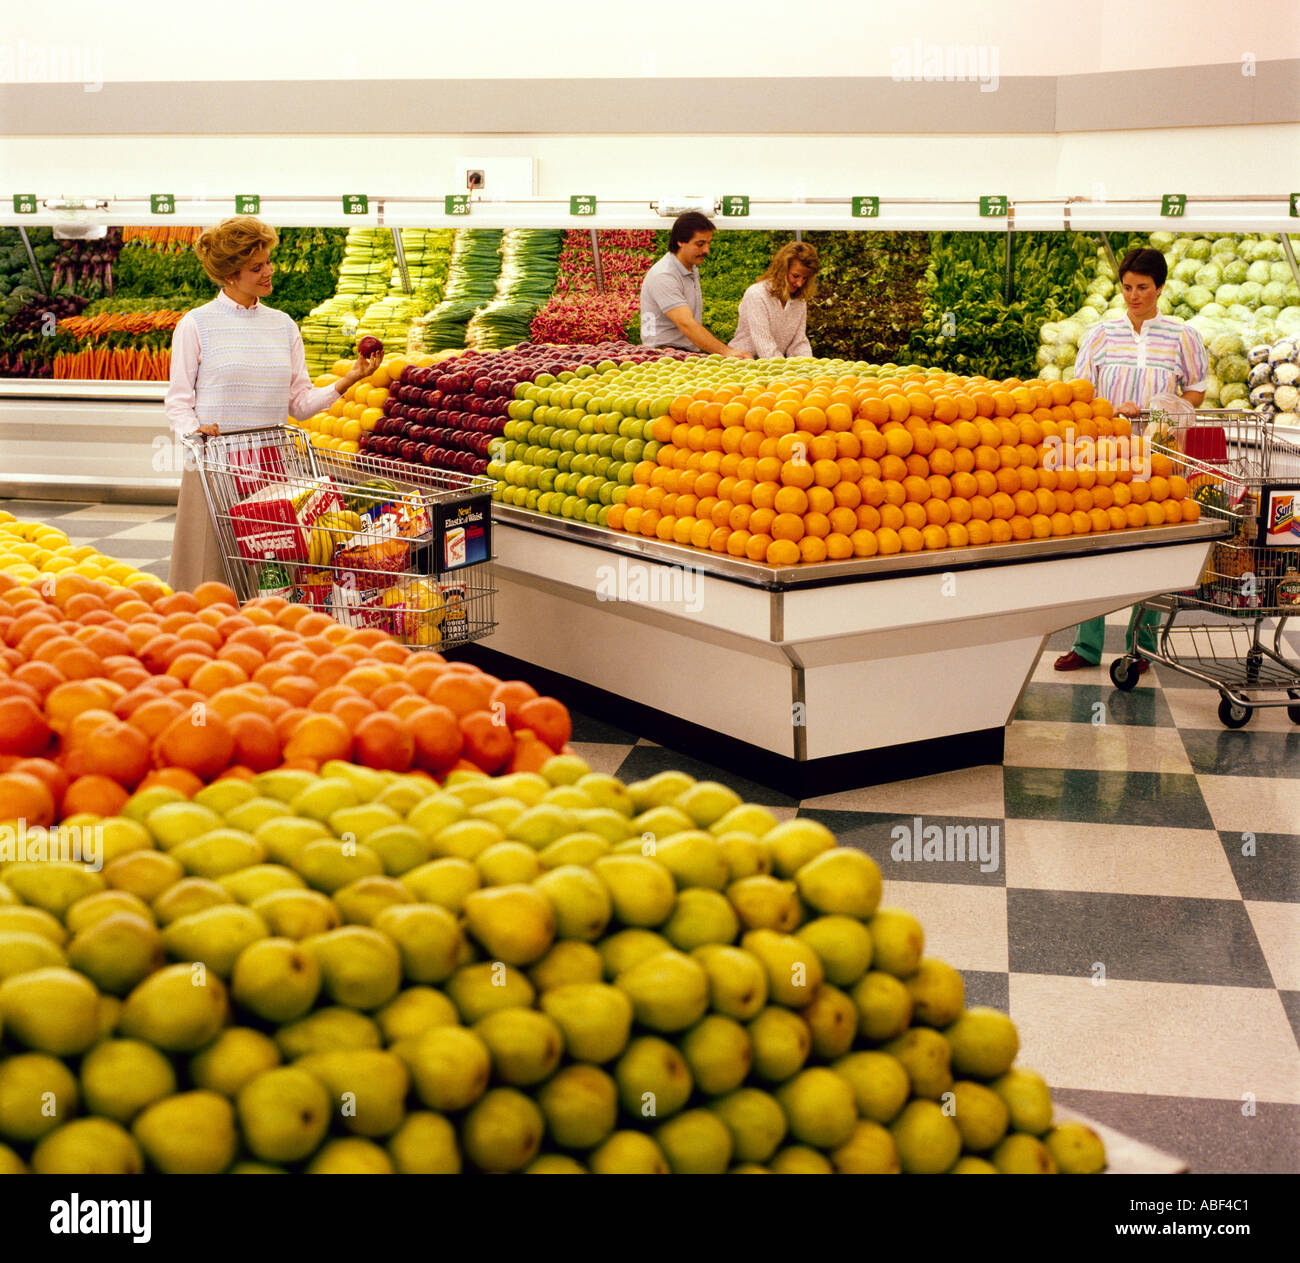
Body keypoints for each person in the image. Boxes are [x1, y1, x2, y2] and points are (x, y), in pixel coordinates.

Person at [164, 216, 380, 593]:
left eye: (268, 261)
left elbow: (300, 404)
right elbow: (179, 401)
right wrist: (191, 429)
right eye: (257, 266)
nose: (269, 271)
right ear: (230, 274)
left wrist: (350, 379)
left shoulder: (283, 326)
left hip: (272, 472)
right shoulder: (196, 325)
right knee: (210, 578)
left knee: (274, 581)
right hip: (216, 469)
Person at [1054, 246, 1208, 674]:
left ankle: (1141, 647)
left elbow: (1196, 389)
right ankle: (1086, 645)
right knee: (1095, 543)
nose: (1133, 296)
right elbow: (1082, 394)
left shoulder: (1182, 336)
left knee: (1151, 547)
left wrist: (1163, 412)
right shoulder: (1100, 334)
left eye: (1142, 287)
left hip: (1159, 458)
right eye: (1126, 287)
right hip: (1107, 455)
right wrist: (1110, 410)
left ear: (1160, 287)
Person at [639, 212, 751, 358]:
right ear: (680, 241)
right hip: (664, 355)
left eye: (708, 243)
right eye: (700, 244)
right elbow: (686, 324)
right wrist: (727, 352)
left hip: (683, 353)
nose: (706, 250)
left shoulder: (689, 268)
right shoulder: (664, 275)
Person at [730, 240, 820, 359]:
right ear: (782, 270)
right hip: (741, 363)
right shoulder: (757, 294)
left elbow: (799, 342)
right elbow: (764, 344)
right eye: (796, 276)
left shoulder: (799, 301)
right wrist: (786, 371)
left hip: (773, 365)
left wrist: (807, 366)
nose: (799, 283)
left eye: (805, 278)